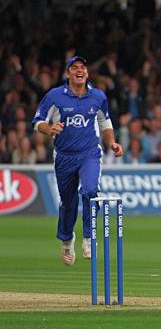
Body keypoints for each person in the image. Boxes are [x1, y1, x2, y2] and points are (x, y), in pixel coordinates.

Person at [32, 56, 123, 266]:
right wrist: (49, 129)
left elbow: (104, 122)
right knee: (68, 203)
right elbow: (38, 121)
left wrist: (111, 142)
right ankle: (66, 239)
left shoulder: (98, 96)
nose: (79, 71)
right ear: (68, 73)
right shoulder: (55, 96)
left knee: (90, 191)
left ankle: (89, 238)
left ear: (88, 74)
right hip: (64, 156)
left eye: (83, 68)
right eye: (74, 68)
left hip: (90, 153)